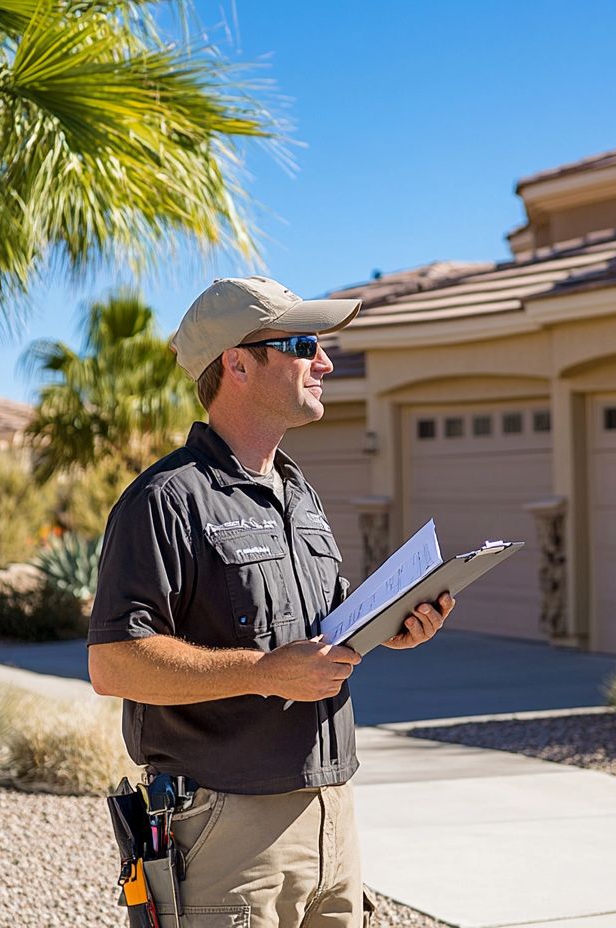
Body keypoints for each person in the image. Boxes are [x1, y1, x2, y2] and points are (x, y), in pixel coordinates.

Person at [88, 276, 453, 928]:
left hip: (332, 814)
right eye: (305, 344)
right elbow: (114, 662)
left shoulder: (297, 492)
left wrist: (393, 626)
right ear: (236, 363)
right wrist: (262, 673)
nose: (325, 362)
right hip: (228, 829)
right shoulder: (166, 501)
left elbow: (325, 619)